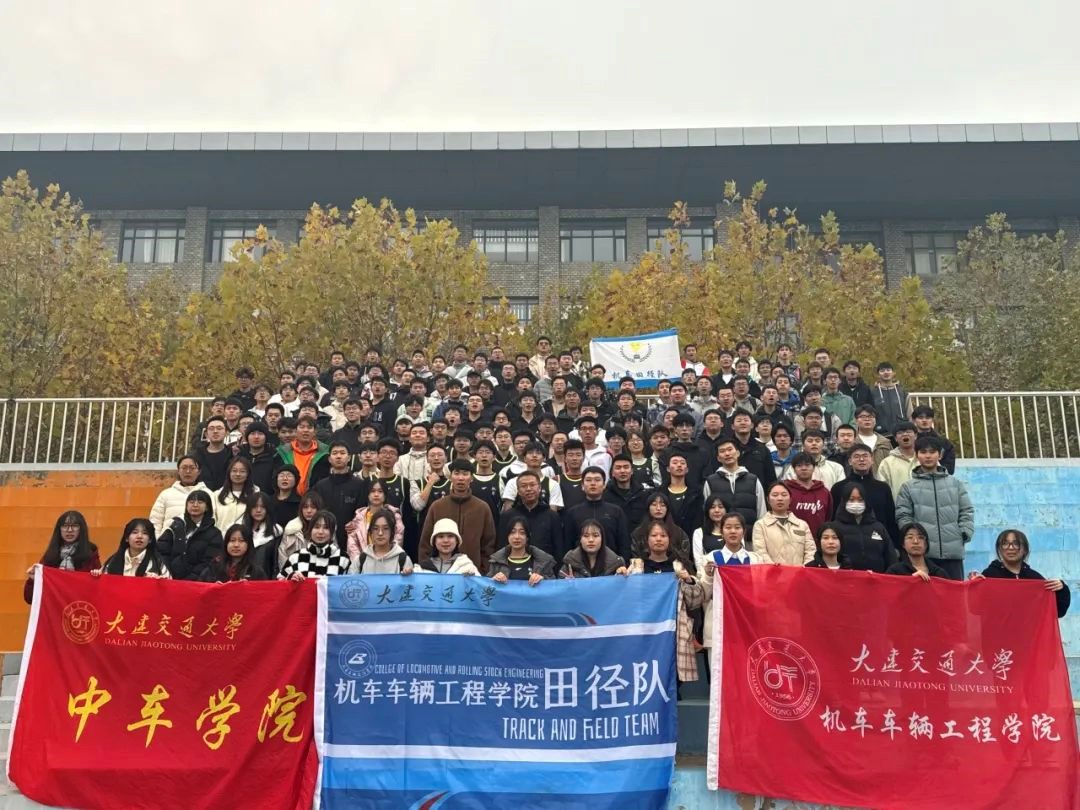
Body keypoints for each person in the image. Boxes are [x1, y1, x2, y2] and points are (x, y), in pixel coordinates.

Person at [629, 520, 705, 684]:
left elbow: (696, 601)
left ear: (669, 539)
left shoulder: (680, 566)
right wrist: (620, 577)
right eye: (654, 535)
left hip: (673, 629)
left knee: (673, 672)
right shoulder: (636, 567)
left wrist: (688, 581)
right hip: (644, 628)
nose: (658, 539)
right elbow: (625, 599)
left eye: (663, 535)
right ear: (646, 540)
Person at [895, 435, 974, 580]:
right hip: (923, 557)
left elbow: (966, 511)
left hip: (952, 553)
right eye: (923, 452)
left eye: (932, 452)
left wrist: (964, 533)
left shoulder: (955, 484)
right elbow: (903, 516)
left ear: (940, 455)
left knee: (954, 592)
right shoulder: (908, 487)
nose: (928, 456)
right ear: (917, 455)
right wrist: (914, 539)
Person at [970, 529, 1070, 618]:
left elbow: (1058, 611)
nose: (1010, 547)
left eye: (1016, 543)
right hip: (996, 633)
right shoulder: (990, 575)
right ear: (999, 549)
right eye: (1005, 543)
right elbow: (975, 609)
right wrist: (974, 587)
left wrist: (1061, 588)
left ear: (1025, 550)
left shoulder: (1034, 578)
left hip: (1029, 633)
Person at [418, 459, 497, 571]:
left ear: (472, 478)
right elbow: (425, 542)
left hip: (472, 573)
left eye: (465, 474)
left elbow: (488, 544)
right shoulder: (437, 506)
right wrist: (427, 569)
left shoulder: (482, 508)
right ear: (450, 477)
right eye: (456, 473)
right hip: (439, 572)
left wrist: (483, 571)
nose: (461, 478)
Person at [23, 511, 100, 603]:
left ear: (81, 529)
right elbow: (29, 598)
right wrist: (33, 580)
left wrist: (98, 577)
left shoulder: (90, 554)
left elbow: (98, 592)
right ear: (59, 529)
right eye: (65, 526)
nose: (69, 530)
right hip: (55, 608)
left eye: (75, 526)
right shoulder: (51, 555)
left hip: (79, 607)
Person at [830, 444, 899, 546]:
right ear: (850, 461)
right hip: (846, 542)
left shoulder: (882, 488)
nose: (861, 459)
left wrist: (894, 545)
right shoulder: (839, 487)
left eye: (865, 456)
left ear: (872, 460)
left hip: (878, 541)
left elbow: (890, 519)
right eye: (856, 456)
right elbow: (833, 519)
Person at [562, 467, 632, 562]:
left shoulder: (616, 511)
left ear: (604, 485)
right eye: (588, 480)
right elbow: (567, 545)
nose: (593, 483)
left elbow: (624, 543)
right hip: (580, 565)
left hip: (611, 565)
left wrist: (623, 564)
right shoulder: (573, 513)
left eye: (597, 480)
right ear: (582, 485)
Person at [157, 490, 223, 581]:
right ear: (186, 506)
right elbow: (161, 551)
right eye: (191, 502)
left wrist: (190, 579)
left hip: (198, 582)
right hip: (170, 579)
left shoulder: (214, 533)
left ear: (207, 507)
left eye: (200, 502)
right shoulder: (175, 528)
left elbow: (209, 561)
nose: (195, 505)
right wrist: (168, 573)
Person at [702, 438, 766, 533]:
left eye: (730, 449)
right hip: (721, 534)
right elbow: (707, 512)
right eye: (722, 451)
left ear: (738, 453)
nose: (727, 454)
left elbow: (762, 511)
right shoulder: (711, 481)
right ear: (718, 458)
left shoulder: (753, 480)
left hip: (749, 534)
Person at [832, 483, 896, 572]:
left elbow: (891, 557)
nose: (856, 503)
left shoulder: (878, 528)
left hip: (876, 578)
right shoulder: (835, 528)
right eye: (851, 499)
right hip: (847, 578)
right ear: (844, 501)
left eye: (860, 500)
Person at [313, 441, 367, 544]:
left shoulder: (359, 484)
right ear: (329, 459)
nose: (338, 456)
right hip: (325, 538)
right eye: (335, 453)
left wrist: (355, 523)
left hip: (352, 538)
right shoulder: (320, 486)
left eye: (342, 453)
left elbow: (363, 512)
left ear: (349, 458)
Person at [498, 470, 562, 557]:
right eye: (524, 486)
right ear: (518, 491)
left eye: (532, 485)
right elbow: (501, 548)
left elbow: (559, 549)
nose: (528, 489)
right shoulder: (507, 516)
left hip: (546, 564)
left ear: (539, 488)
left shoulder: (552, 516)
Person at [752, 482, 815, 565]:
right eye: (775, 495)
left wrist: (803, 569)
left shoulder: (802, 525)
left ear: (790, 499)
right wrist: (775, 568)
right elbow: (760, 553)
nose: (780, 498)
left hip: (800, 572)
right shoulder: (760, 525)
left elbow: (811, 552)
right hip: (772, 572)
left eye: (784, 495)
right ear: (768, 500)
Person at [344, 479, 405, 563]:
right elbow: (352, 543)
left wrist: (387, 558)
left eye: (380, 491)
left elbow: (398, 539)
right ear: (368, 495)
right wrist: (359, 562)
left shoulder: (394, 516)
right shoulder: (359, 517)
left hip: (389, 561)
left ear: (385, 495)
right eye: (373, 491)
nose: (376, 494)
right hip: (363, 563)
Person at [149, 455, 212, 536]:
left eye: (192, 468)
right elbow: (155, 521)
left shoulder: (208, 494)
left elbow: (214, 520)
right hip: (169, 541)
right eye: (184, 468)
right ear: (178, 471)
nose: (188, 471)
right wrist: (158, 541)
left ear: (199, 471)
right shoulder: (166, 494)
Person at [280, 510, 352, 580]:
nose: (320, 532)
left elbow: (350, 584)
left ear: (332, 532)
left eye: (326, 528)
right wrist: (290, 578)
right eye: (316, 527)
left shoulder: (343, 558)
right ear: (310, 530)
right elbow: (279, 582)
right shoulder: (295, 557)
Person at [487, 516, 556, 585]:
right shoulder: (497, 562)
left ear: (527, 537)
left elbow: (554, 586)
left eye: (522, 533)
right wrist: (494, 580)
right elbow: (487, 587)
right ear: (507, 536)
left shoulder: (543, 561)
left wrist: (543, 580)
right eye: (512, 532)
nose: (517, 537)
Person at [273, 415, 330, 495]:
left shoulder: (325, 454)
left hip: (316, 498)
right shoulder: (282, 453)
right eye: (302, 427)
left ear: (315, 432)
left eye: (309, 427)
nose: (305, 430)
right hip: (288, 498)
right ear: (296, 431)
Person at [630, 490, 692, 563]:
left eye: (663, 505)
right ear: (648, 508)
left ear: (667, 509)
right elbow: (636, 558)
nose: (658, 508)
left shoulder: (679, 533)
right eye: (654, 505)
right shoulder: (638, 533)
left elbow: (684, 557)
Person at [97, 519, 171, 578]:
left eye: (145, 533)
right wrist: (97, 574)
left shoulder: (158, 562)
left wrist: (158, 582)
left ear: (150, 540)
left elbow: (169, 585)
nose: (139, 536)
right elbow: (103, 582)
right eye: (135, 532)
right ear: (126, 538)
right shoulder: (113, 560)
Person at [784, 454, 833, 539]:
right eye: (799, 465)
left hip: (818, 541)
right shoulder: (786, 491)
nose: (803, 468)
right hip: (791, 540)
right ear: (793, 469)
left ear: (814, 468)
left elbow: (828, 518)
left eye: (807, 465)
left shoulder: (824, 492)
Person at [560, 519, 628, 577]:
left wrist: (622, 577)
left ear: (602, 539)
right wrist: (567, 584)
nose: (591, 540)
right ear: (580, 539)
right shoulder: (570, 562)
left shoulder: (616, 563)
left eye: (595, 535)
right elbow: (560, 583)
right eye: (586, 536)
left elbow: (622, 587)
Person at [202, 524, 267, 582]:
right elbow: (202, 586)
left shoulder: (255, 571)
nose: (236, 545)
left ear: (248, 544)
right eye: (232, 540)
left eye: (241, 541)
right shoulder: (214, 567)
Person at [279, 490, 324, 573]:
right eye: (305, 507)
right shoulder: (291, 528)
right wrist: (291, 574)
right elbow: (282, 555)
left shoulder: (326, 530)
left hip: (319, 575)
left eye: (313, 507)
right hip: (295, 576)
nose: (309, 511)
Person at [415, 518, 479, 574]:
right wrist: (409, 573)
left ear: (457, 541)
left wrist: (471, 578)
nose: (445, 540)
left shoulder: (466, 566)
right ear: (434, 541)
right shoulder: (422, 569)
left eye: (450, 536)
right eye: (441, 536)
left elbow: (478, 583)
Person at [243, 491, 284, 578]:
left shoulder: (276, 532)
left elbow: (276, 562)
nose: (258, 510)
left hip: (266, 578)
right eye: (255, 507)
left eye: (262, 507)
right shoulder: (241, 530)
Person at [212, 456, 258, 530]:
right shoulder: (216, 495)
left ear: (248, 474)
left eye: (242, 471)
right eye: (234, 470)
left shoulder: (256, 495)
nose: (238, 474)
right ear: (229, 473)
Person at [878, 420, 920, 501]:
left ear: (915, 436)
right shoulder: (887, 463)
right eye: (900, 433)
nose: (905, 434)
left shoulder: (926, 458)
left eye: (908, 432)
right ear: (895, 438)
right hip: (898, 506)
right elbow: (882, 490)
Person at [911, 405, 957, 475]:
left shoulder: (944, 442)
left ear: (932, 420)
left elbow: (949, 468)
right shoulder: (910, 442)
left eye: (928, 418)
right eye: (920, 418)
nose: (924, 420)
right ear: (914, 420)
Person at [872, 362, 909, 437]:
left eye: (888, 370)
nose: (886, 372)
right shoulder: (873, 393)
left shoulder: (902, 392)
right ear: (878, 375)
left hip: (901, 433)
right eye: (882, 371)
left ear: (893, 373)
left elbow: (909, 413)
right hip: (881, 433)